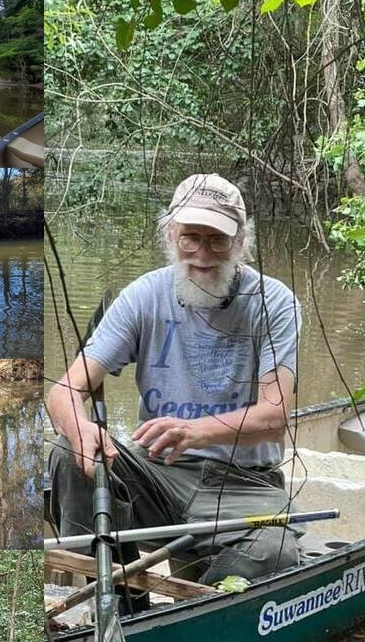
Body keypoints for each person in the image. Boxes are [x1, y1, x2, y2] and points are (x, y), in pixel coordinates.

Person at [47, 173, 303, 587]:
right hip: (159, 474)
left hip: (244, 485)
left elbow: (273, 417)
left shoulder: (274, 302)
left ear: (240, 242)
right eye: (190, 238)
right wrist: (80, 428)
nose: (202, 254)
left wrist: (195, 432)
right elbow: (64, 391)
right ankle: (103, 598)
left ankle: (198, 602)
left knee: (272, 554)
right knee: (67, 453)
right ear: (170, 233)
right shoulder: (143, 296)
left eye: (217, 240)